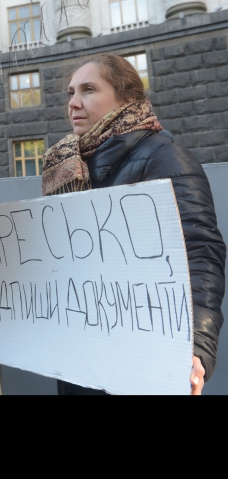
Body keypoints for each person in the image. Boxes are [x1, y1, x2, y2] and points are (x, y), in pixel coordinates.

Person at [42, 54, 226, 396]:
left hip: (141, 356)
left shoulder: (165, 157)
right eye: (70, 92)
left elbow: (198, 253)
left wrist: (194, 346)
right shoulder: (70, 165)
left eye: (88, 89)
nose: (73, 103)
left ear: (128, 98)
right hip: (79, 353)